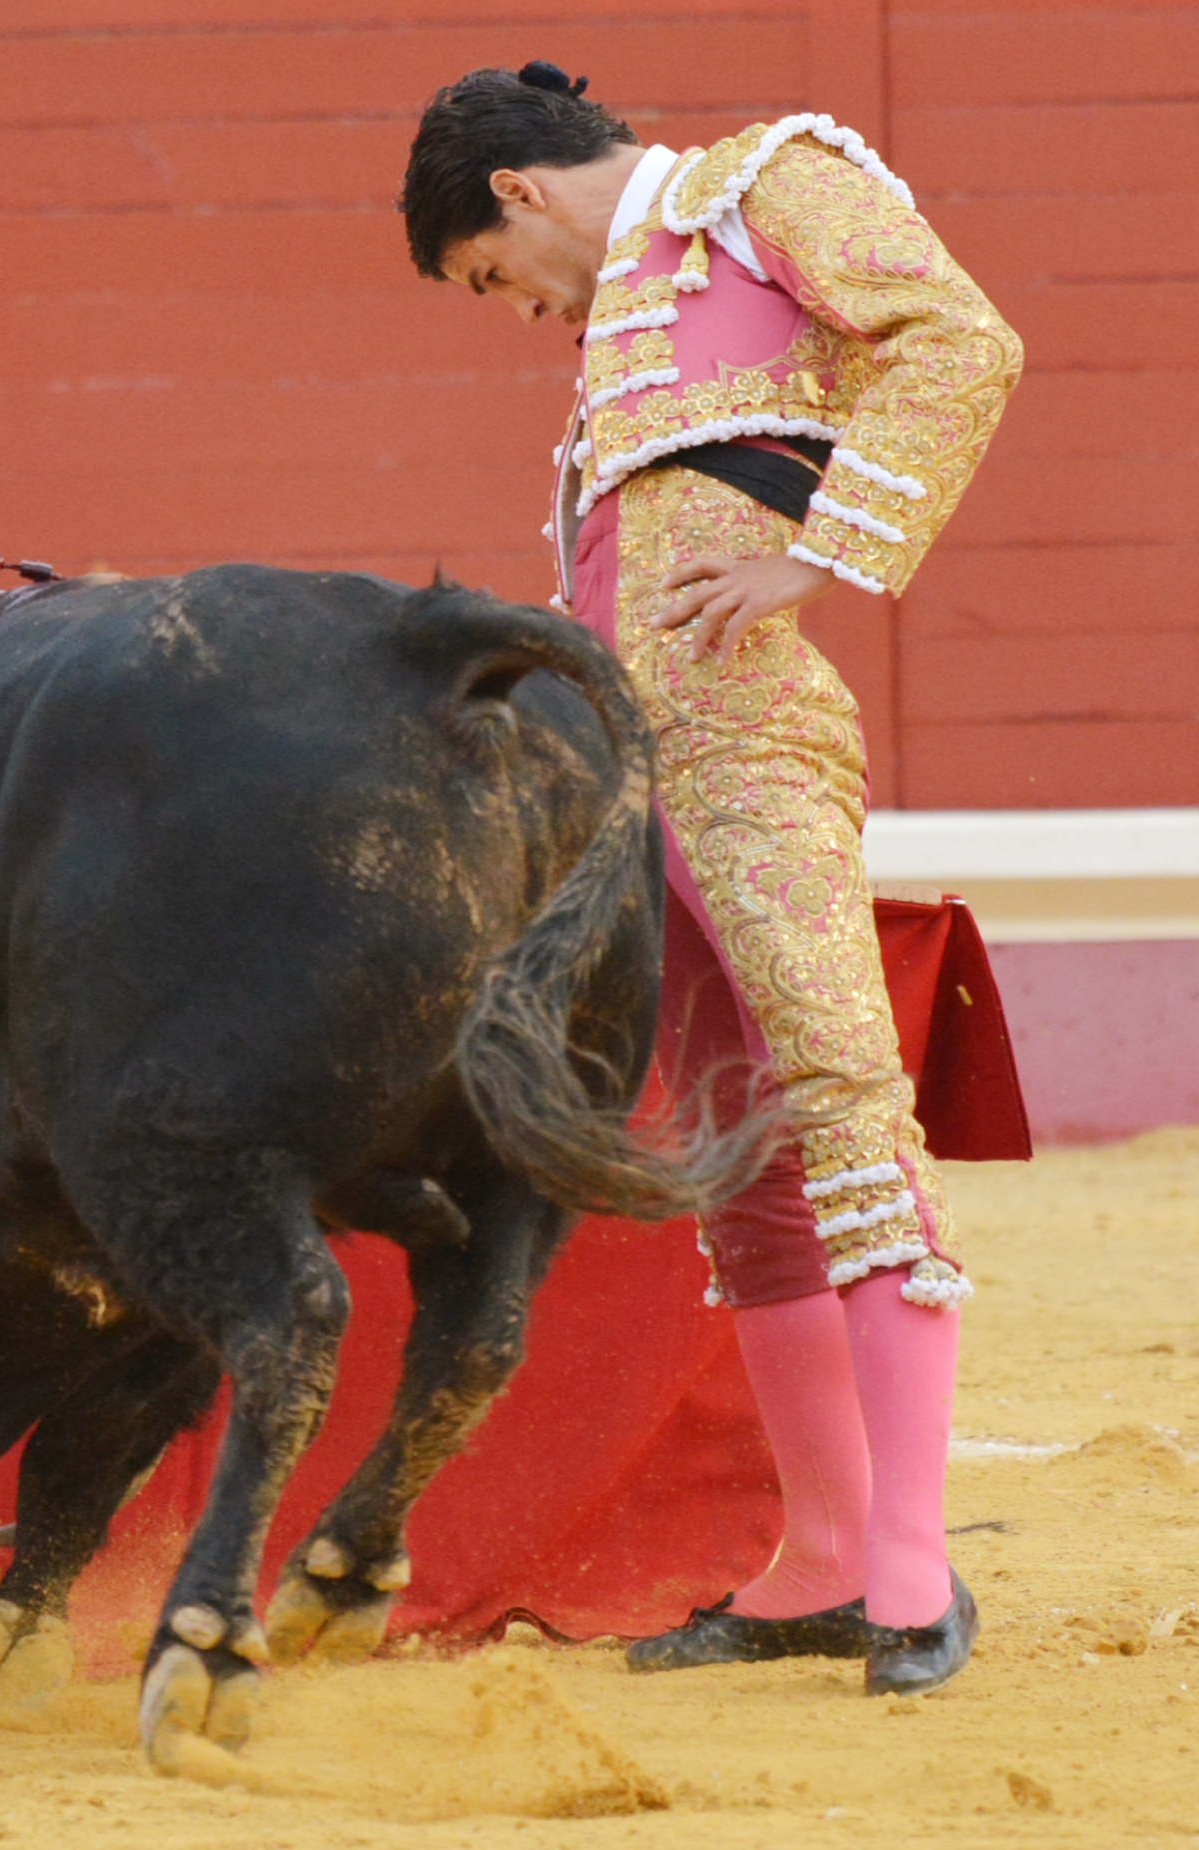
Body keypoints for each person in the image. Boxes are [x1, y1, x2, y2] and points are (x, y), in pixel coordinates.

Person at [400, 61, 1024, 1695]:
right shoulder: (630, 314)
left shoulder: (764, 186)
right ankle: (822, 1552)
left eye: (493, 276)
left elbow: (960, 338)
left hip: (749, 744)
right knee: (741, 1156)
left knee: (840, 1099)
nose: (522, 311)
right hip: (633, 776)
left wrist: (822, 556)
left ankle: (911, 1572)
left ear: (520, 192)